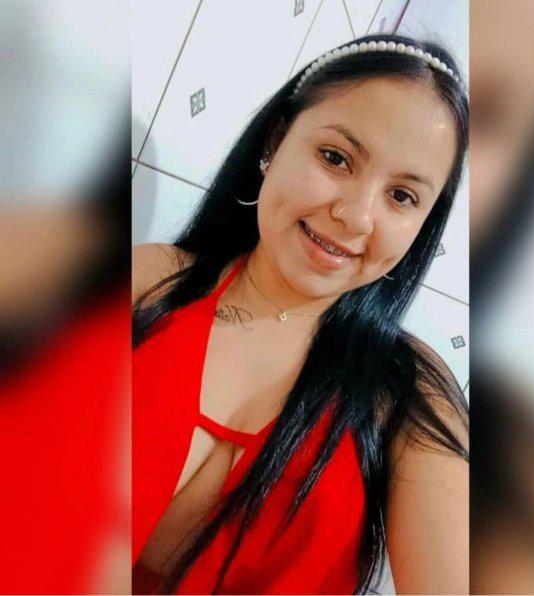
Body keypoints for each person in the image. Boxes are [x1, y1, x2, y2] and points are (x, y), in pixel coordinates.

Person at [132, 33, 469, 595]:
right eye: (336, 158)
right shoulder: (151, 285)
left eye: (402, 196)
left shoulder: (410, 392)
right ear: (276, 141)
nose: (355, 216)